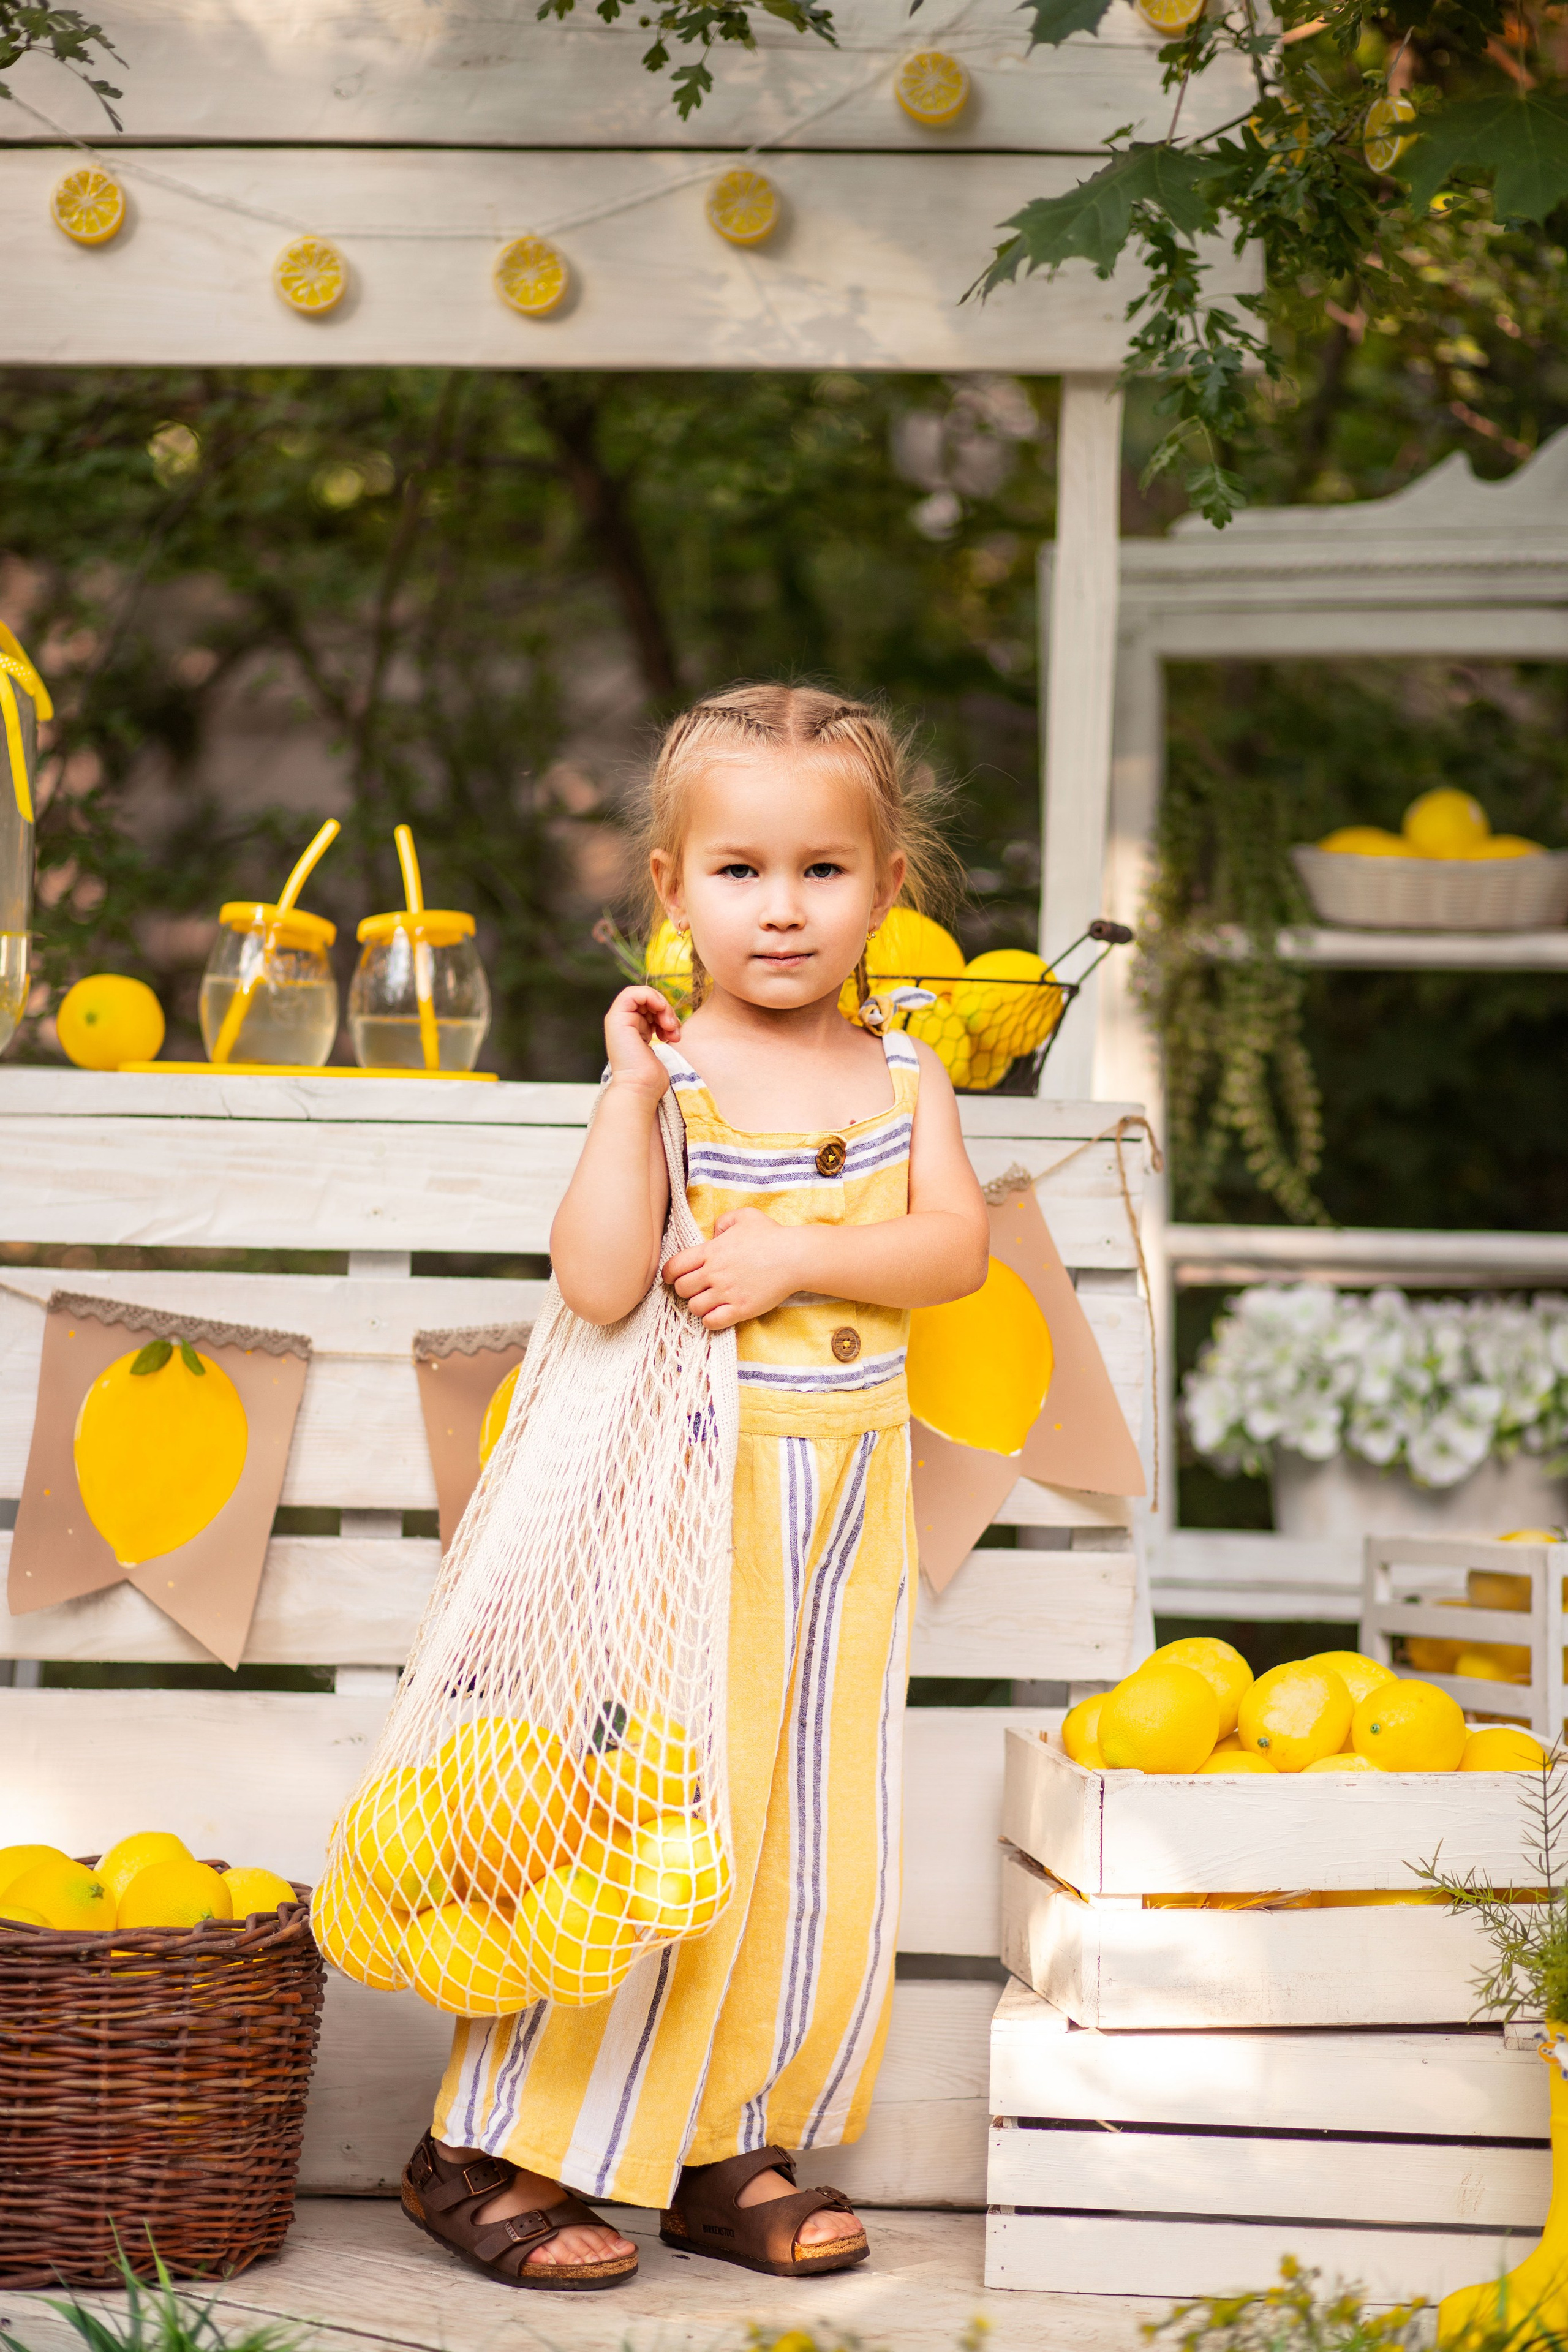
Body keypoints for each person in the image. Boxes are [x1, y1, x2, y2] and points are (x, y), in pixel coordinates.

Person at [402, 684, 989, 2288]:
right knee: (644, 1822)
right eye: (739, 871)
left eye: (824, 870)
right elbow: (598, 1284)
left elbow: (954, 1248)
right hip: (686, 1524)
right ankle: (497, 2142)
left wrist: (796, 1247)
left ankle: (733, 2141)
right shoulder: (678, 1076)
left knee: (813, 1836)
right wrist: (624, 1096)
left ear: (888, 891)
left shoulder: (906, 1076)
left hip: (845, 1532)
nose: (782, 907)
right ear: (670, 892)